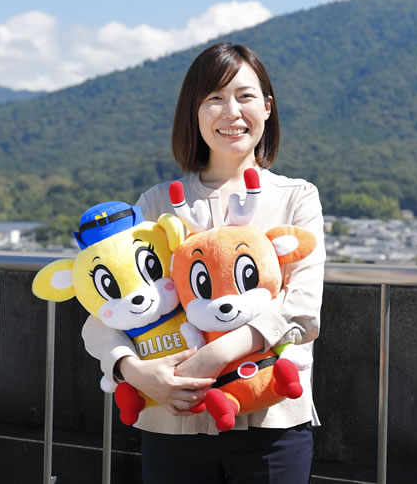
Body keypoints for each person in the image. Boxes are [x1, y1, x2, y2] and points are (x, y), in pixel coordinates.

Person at [81, 42, 326, 483]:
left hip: (271, 415)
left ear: (267, 108)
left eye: (245, 96)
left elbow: (301, 307)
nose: (231, 112)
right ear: (193, 113)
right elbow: (106, 308)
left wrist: (214, 355)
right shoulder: (156, 204)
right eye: (214, 98)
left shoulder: (296, 198)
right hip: (174, 416)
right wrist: (133, 371)